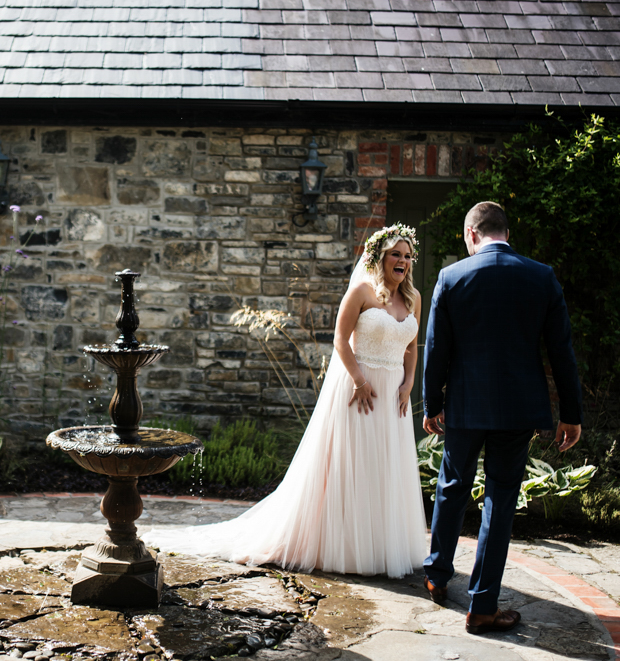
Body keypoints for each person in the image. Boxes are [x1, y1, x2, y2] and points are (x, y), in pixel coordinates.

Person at [143, 223, 427, 578]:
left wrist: (409, 383)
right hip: (360, 390)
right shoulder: (362, 291)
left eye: (406, 256)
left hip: (393, 396)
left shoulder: (413, 299)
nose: (402, 261)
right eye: (395, 255)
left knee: (385, 467)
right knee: (351, 465)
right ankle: (345, 547)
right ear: (380, 258)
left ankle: (381, 545)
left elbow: (412, 347)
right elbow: (340, 340)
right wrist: (358, 380)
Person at [422, 201, 582, 634]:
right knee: (501, 499)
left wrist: (430, 404)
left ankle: (437, 574)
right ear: (505, 232)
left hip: (465, 407)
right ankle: (483, 605)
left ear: (472, 234)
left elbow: (436, 349)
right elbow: (561, 351)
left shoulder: (451, 277)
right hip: (516, 408)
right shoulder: (540, 276)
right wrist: (570, 412)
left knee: (452, 485)